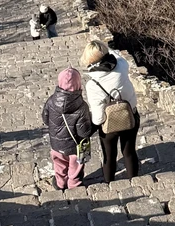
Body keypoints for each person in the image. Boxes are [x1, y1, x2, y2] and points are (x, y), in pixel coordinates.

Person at [82, 38, 140, 183]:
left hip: (110, 125)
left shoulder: (93, 84)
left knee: (109, 156)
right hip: (130, 115)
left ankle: (110, 183)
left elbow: (97, 118)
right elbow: (117, 54)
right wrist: (105, 48)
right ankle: (135, 181)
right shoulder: (121, 65)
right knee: (129, 152)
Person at [42, 68, 92, 190]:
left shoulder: (51, 101)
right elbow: (84, 132)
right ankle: (74, 185)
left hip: (56, 144)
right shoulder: (82, 107)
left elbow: (45, 119)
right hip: (74, 147)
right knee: (75, 167)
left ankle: (60, 183)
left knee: (59, 165)